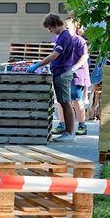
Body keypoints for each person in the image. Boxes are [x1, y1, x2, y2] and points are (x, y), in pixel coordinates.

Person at [28, 14, 76, 142]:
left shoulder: (64, 37)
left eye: (50, 28)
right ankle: (68, 132)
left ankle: (70, 133)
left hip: (63, 73)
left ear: (55, 25)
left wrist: (38, 64)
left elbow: (54, 55)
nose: (50, 31)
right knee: (63, 102)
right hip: (60, 71)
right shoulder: (61, 36)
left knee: (66, 103)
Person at [53, 17, 91, 136]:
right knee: (61, 100)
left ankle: (81, 125)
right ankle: (62, 124)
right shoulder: (61, 39)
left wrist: (74, 67)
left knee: (76, 100)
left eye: (69, 28)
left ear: (75, 28)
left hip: (76, 75)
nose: (66, 30)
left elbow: (85, 56)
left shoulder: (79, 41)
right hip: (63, 73)